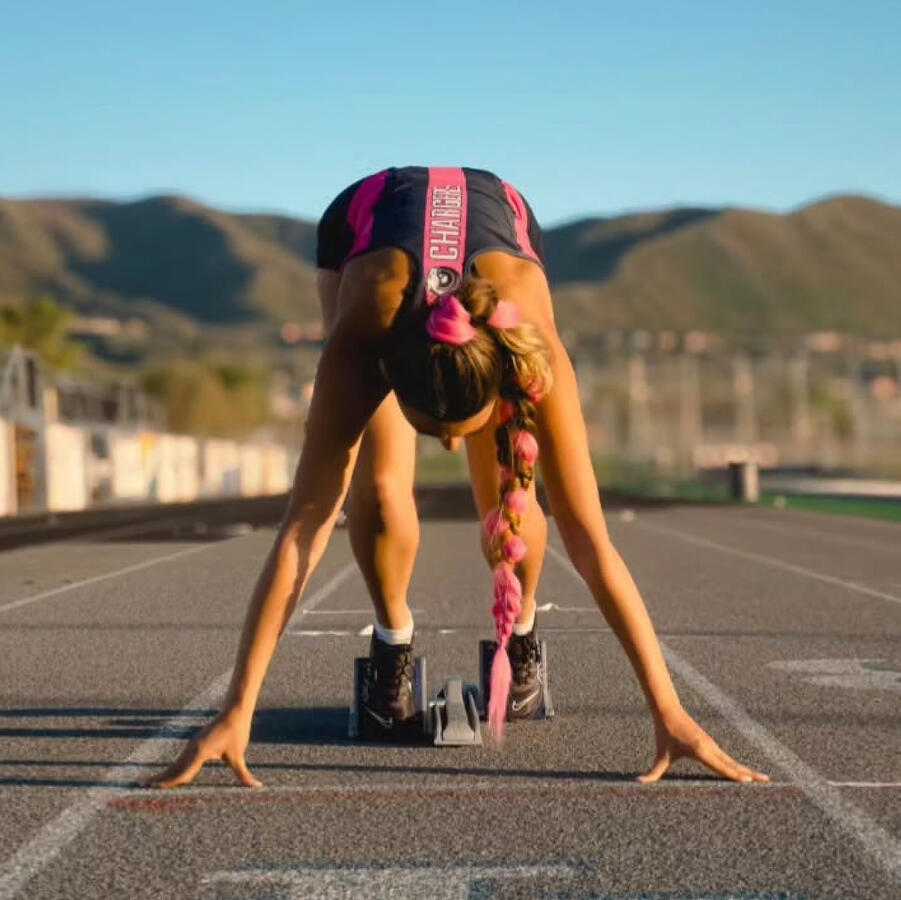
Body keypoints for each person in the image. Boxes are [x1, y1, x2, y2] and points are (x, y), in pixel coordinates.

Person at [145, 166, 769, 789]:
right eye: (433, 430)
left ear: (502, 380)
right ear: (387, 378)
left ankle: (518, 639)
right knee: (381, 489)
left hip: (497, 222)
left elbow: (591, 540)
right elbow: (301, 532)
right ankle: (393, 641)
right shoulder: (361, 342)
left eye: (459, 430)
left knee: (510, 495)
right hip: (364, 224)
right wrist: (236, 708)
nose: (447, 443)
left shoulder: (531, 346)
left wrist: (670, 712)